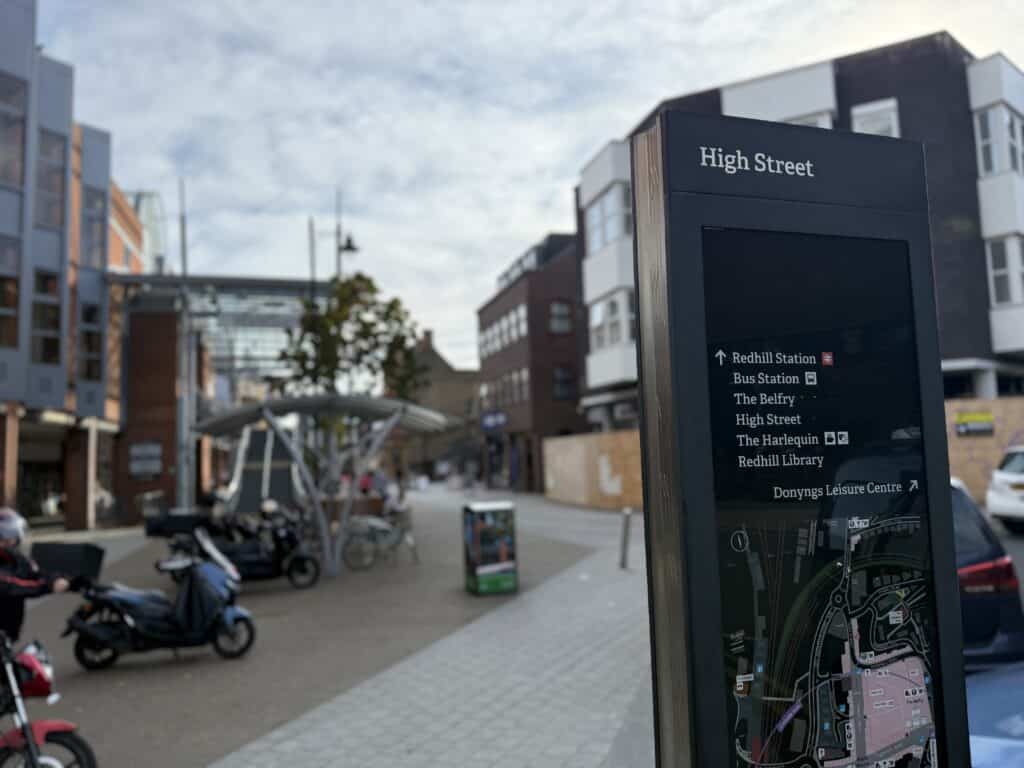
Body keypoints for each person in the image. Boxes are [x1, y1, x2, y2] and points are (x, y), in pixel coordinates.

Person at [0, 508, 69, 641]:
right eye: (14, 537)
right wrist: (48, 585)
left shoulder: (14, 557)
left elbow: (36, 573)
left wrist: (60, 578)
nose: (17, 541)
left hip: (6, 637)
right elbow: (12, 585)